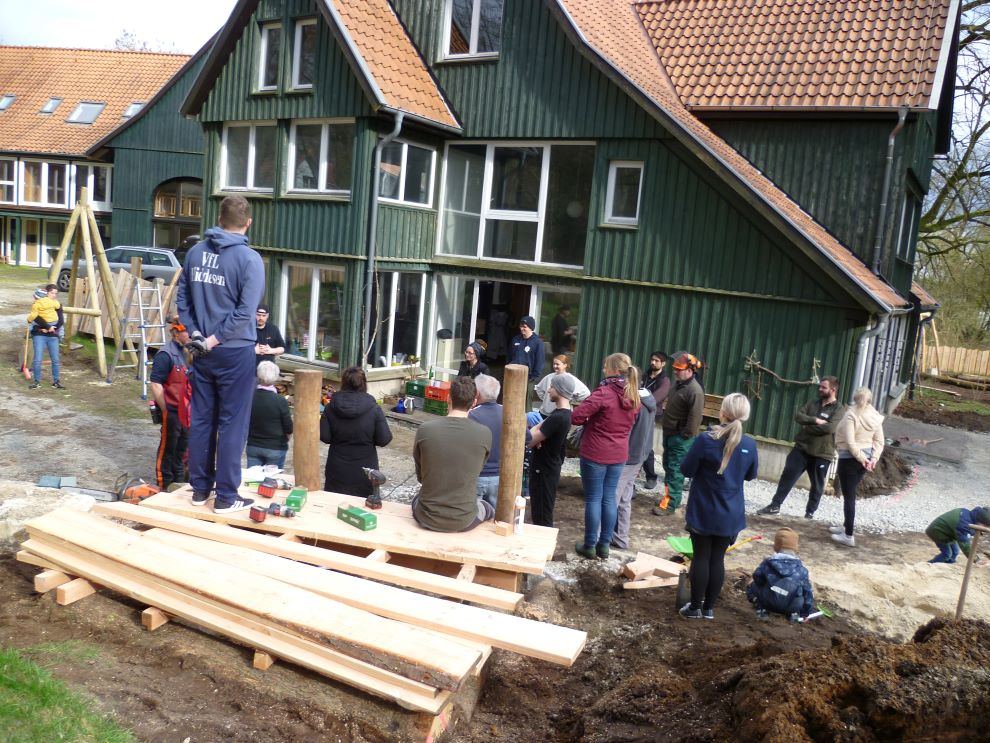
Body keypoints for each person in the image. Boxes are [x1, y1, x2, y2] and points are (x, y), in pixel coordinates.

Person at [177, 195, 265, 514]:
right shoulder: (250, 260)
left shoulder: (196, 252)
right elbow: (244, 314)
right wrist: (212, 340)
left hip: (201, 351)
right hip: (234, 351)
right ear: (248, 222)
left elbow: (182, 299)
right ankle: (226, 496)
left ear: (219, 219)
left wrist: (196, 335)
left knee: (202, 419)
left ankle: (200, 489)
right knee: (232, 424)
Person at [678, 393, 758, 619]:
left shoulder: (706, 439)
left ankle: (695, 608)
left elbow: (686, 469)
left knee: (701, 557)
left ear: (722, 412)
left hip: (704, 509)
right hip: (731, 512)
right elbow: (751, 475)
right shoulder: (749, 444)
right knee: (717, 559)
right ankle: (709, 609)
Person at [571, 352, 640, 559]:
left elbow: (576, 417)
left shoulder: (604, 393)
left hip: (595, 452)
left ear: (614, 370)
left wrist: (590, 420)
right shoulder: (633, 395)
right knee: (609, 498)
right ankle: (604, 546)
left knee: (594, 498)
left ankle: (590, 544)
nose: (603, 370)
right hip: (619, 454)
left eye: (605, 366)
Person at [757, 376, 847, 519]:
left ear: (833, 389)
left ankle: (809, 514)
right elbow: (798, 416)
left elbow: (829, 428)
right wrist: (815, 420)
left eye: (824, 387)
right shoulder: (813, 403)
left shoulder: (839, 409)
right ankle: (775, 505)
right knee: (787, 476)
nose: (820, 389)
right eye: (820, 386)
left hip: (822, 453)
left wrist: (807, 428)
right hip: (801, 449)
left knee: (817, 486)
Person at [412, 376, 494, 532]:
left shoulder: (425, 429)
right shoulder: (485, 433)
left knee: (417, 499)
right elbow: (477, 471)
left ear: (448, 398)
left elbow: (421, 477)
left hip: (426, 516)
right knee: (487, 507)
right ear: (474, 402)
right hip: (464, 518)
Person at [319, 366, 393, 497]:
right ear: (364, 384)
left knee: (334, 503)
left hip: (337, 467)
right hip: (365, 469)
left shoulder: (331, 407)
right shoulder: (374, 409)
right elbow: (384, 439)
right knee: (363, 506)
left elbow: (325, 437)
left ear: (343, 383)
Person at [830, 386, 885, 548]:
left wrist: (862, 459)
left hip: (849, 459)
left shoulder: (851, 414)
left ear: (854, 398)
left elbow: (850, 442)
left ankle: (848, 535)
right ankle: (845, 526)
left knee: (849, 496)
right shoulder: (875, 415)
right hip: (865, 460)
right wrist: (872, 459)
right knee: (850, 494)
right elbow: (879, 441)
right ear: (870, 400)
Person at [653, 351, 703, 516]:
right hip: (670, 434)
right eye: (675, 368)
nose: (675, 371)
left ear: (689, 370)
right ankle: (668, 498)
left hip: (680, 438)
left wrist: (684, 435)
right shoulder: (678, 384)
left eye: (679, 369)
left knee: (675, 470)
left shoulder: (694, 390)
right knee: (668, 466)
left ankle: (671, 504)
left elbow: (695, 418)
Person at [611, 377, 656, 549]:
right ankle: (621, 538)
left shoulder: (636, 404)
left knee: (612, 499)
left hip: (627, 457)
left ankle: (601, 537)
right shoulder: (649, 399)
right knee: (624, 499)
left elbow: (626, 431)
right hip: (639, 457)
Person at [528, 374, 576, 527]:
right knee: (542, 512)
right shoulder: (563, 413)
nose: (549, 390)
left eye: (552, 387)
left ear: (560, 390)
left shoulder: (557, 417)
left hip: (544, 470)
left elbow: (529, 440)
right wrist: (537, 434)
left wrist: (535, 434)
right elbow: (536, 433)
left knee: (542, 516)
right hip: (549, 468)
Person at [149, 319, 192, 490]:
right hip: (172, 411)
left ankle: (179, 483)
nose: (190, 335)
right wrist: (166, 409)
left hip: (187, 413)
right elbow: (156, 384)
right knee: (168, 449)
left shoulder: (188, 353)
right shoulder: (165, 355)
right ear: (176, 333)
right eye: (187, 331)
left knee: (181, 450)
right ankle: (164, 484)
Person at [746, 527, 815, 621]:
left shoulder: (767, 563)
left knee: (751, 586)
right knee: (802, 593)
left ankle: (761, 610)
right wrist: (805, 613)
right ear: (795, 548)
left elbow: (757, 578)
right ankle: (793, 614)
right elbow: (808, 594)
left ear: (776, 546)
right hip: (791, 606)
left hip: (768, 603)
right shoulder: (802, 570)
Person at [246, 361, 293, 468]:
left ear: (258, 375)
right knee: (273, 478)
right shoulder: (280, 400)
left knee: (253, 477)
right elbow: (288, 427)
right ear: (275, 377)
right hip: (275, 447)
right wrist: (287, 438)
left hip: (253, 445)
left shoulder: (249, 397)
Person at [468, 374, 503, 507]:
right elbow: (528, 438)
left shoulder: (471, 415)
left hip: (477, 475)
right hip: (500, 476)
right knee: (495, 516)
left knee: (473, 514)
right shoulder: (508, 412)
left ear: (476, 393)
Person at [641, 351, 670, 489]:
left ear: (663, 364)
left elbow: (655, 399)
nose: (653, 362)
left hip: (651, 414)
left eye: (657, 361)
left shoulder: (664, 381)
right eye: (652, 359)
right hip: (637, 412)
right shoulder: (644, 376)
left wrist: (639, 396)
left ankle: (651, 476)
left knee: (646, 445)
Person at [26, 284, 64, 390]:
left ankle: (56, 382)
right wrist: (47, 327)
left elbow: (61, 320)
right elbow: (37, 319)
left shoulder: (57, 305)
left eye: (56, 293)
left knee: (55, 360)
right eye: (52, 293)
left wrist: (53, 328)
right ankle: (37, 382)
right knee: (37, 360)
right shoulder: (38, 304)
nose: (54, 295)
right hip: (39, 335)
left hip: (53, 335)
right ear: (46, 293)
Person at [925, 506, 990, 563]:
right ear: (980, 521)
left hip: (949, 532)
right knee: (947, 554)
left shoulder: (970, 515)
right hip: (937, 532)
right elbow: (965, 545)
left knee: (955, 552)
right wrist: (976, 559)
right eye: (985, 526)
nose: (986, 528)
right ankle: (928, 565)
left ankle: (948, 564)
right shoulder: (964, 525)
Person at [508, 315, 545, 383]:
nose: (522, 329)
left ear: (531, 328)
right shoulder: (515, 339)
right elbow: (509, 356)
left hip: (527, 377)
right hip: (512, 374)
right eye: (521, 326)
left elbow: (539, 362)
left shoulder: (538, 342)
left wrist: (533, 377)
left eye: (524, 327)